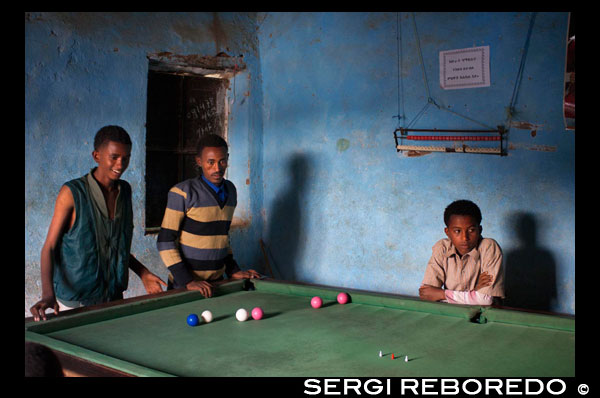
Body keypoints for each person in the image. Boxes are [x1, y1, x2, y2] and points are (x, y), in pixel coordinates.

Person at [29, 126, 166, 321]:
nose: (121, 164)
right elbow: (49, 248)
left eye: (126, 158)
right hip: (75, 302)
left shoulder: (125, 191)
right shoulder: (72, 193)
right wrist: (48, 294)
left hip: (112, 297)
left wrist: (142, 272)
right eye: (114, 157)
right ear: (96, 156)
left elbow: (117, 246)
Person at [157, 134, 260, 298]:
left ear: (227, 159)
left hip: (216, 284)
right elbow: (165, 242)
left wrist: (234, 270)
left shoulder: (231, 191)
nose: (217, 168)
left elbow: (222, 237)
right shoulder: (182, 192)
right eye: (210, 162)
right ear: (199, 161)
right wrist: (188, 281)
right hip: (184, 286)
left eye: (222, 161)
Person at [419, 200, 505, 305]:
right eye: (457, 231)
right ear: (447, 232)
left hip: (485, 316)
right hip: (453, 314)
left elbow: (485, 300)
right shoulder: (442, 248)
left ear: (480, 230)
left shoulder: (489, 247)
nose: (465, 238)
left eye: (471, 230)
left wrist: (442, 294)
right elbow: (426, 294)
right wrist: (474, 293)